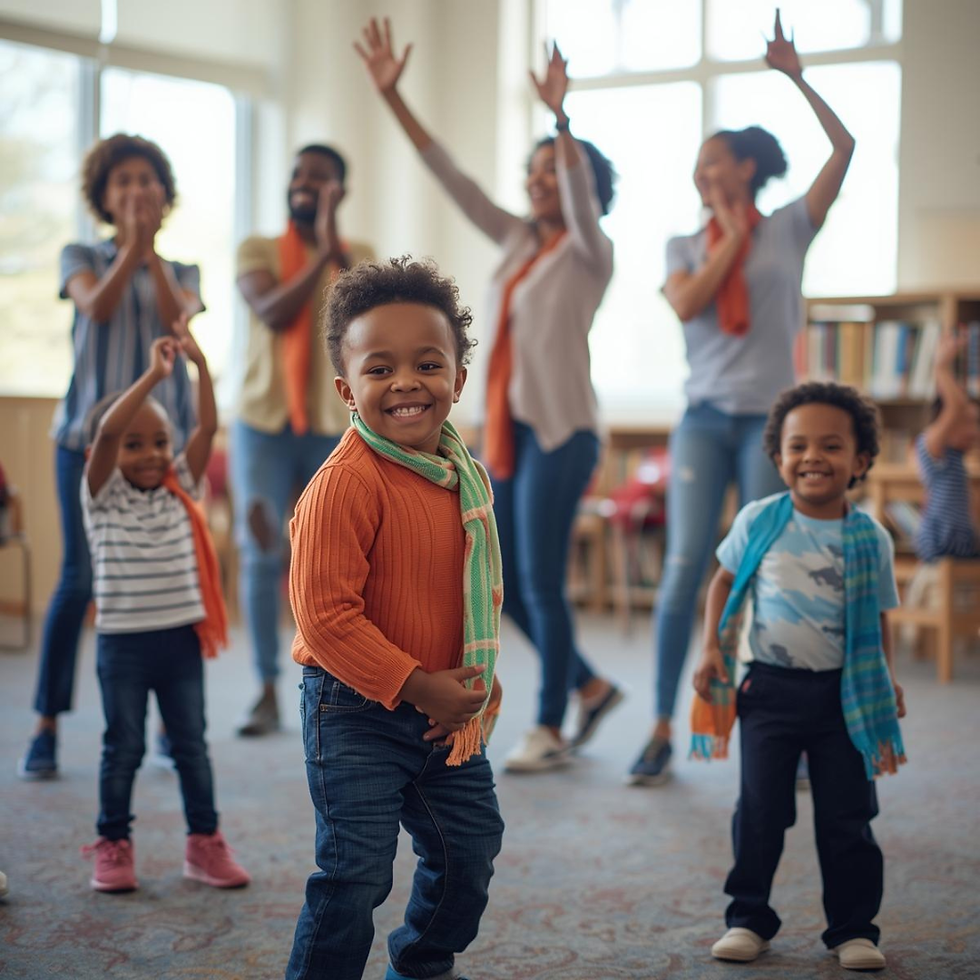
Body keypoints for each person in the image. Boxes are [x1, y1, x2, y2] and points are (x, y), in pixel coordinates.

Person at [357, 18, 622, 772]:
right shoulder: (515, 243)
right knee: (503, 585)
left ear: (583, 189)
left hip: (563, 431)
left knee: (539, 579)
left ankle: (550, 724)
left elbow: (577, 192)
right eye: (533, 172)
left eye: (553, 173)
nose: (538, 182)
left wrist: (562, 120)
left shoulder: (589, 252)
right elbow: (454, 181)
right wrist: (394, 97)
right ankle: (590, 686)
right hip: (504, 432)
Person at [629, 12, 857, 785]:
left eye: (716, 162)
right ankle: (663, 724)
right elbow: (691, 303)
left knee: (769, 570)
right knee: (687, 565)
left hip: (772, 428)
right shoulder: (683, 247)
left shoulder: (792, 227)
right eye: (697, 165)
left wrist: (797, 77)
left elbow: (845, 149)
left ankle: (779, 731)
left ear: (751, 167)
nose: (703, 173)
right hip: (701, 421)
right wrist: (728, 228)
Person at [285, 257, 504, 980]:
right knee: (356, 872)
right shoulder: (344, 483)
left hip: (443, 711)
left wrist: (468, 690)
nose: (406, 382)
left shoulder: (464, 478)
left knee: (469, 851)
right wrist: (417, 685)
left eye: (428, 364)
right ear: (348, 390)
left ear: (458, 381)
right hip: (353, 707)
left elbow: (475, 599)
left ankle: (421, 960)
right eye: (380, 369)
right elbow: (325, 619)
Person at [691, 381, 906, 971]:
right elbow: (722, 582)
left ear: (860, 461)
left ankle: (854, 929)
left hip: (847, 697)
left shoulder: (871, 539)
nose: (813, 456)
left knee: (848, 817)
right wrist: (711, 648)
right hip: (769, 691)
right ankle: (748, 918)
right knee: (760, 810)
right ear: (778, 457)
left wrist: (886, 678)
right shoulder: (761, 519)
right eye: (798, 445)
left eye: (832, 446)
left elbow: (878, 618)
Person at [19, 134, 202, 780]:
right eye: (121, 180)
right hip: (85, 442)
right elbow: (95, 307)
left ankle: (163, 722)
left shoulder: (182, 270)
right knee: (80, 580)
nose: (134, 190)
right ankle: (45, 724)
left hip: (164, 448)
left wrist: (149, 252)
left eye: (145, 179)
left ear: (164, 193)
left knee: (169, 575)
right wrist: (131, 247)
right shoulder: (80, 255)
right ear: (102, 195)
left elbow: (183, 318)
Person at [79, 327, 249, 894]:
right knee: (122, 746)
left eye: (158, 442)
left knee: (190, 746)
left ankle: (204, 843)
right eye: (135, 445)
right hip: (123, 646)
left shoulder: (182, 483)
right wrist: (153, 375)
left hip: (179, 643)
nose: (150, 455)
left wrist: (198, 366)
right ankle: (113, 843)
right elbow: (105, 431)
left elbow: (205, 427)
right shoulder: (101, 496)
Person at [233, 144, 375, 736]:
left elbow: (361, 316)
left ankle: (341, 682)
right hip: (263, 421)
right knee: (262, 552)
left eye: (320, 179)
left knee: (331, 560)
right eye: (298, 175)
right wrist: (318, 251)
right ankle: (266, 687)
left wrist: (328, 242)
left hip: (329, 425)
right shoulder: (257, 249)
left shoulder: (357, 255)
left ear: (339, 192)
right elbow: (271, 312)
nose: (304, 184)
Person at [914, 332, 980, 561]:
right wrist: (941, 367)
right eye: (967, 423)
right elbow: (957, 406)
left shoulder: (957, 465)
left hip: (963, 555)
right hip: (940, 551)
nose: (975, 431)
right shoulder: (933, 450)